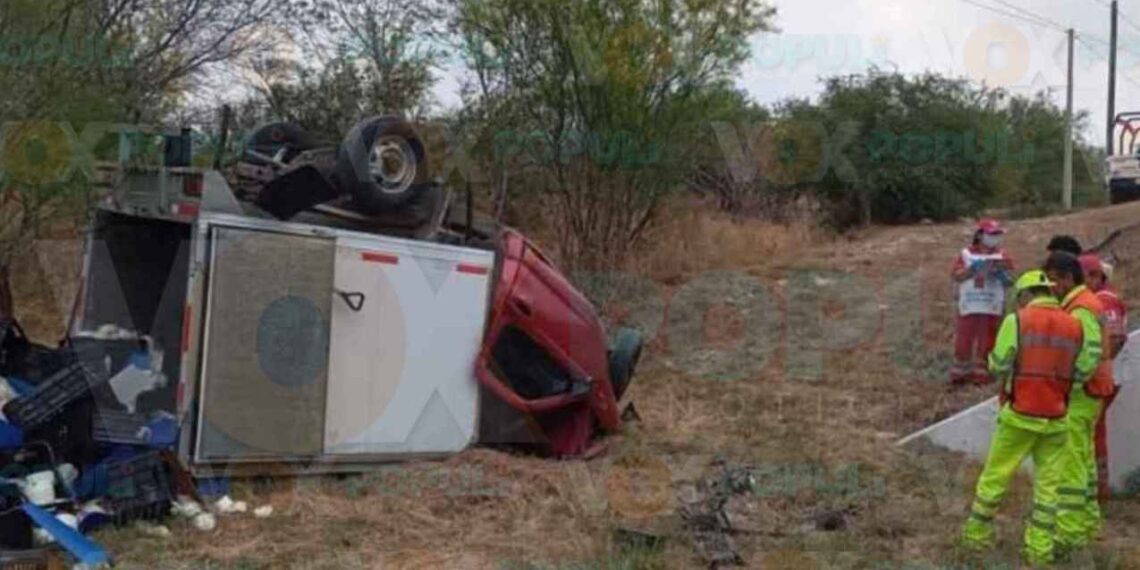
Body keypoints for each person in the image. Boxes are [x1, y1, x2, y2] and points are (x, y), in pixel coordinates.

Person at [961, 270, 1089, 565]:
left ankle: (976, 536)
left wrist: (995, 363)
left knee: (995, 477)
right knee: (1048, 487)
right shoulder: (1074, 325)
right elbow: (1082, 371)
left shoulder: (1017, 321)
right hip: (1057, 418)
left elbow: (1000, 363)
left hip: (1020, 415)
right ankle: (1039, 551)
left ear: (1027, 294)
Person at [1044, 252, 1118, 555]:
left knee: (1072, 462)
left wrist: (1066, 385)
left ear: (1066, 278)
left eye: (1053, 279)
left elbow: (1087, 354)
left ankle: (1070, 533)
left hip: (1082, 393)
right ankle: (1088, 523)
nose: (1051, 287)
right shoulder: (1084, 302)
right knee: (1084, 460)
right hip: (1091, 391)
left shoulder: (1081, 307)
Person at [1079, 253, 1127, 502]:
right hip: (1105, 377)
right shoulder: (1099, 298)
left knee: (1092, 432)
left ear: (1096, 276)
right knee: (1093, 430)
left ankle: (1097, 488)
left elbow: (1116, 338)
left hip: (1101, 380)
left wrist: (1096, 366)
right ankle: (1097, 487)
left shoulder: (1103, 300)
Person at [950, 219, 1014, 384]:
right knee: (965, 336)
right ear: (980, 235)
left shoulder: (1003, 255)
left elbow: (1011, 280)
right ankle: (961, 371)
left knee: (989, 337)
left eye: (997, 234)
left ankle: (982, 371)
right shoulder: (966, 254)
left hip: (991, 304)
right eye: (991, 234)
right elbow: (956, 275)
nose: (995, 238)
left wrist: (1000, 272)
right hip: (970, 303)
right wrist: (972, 270)